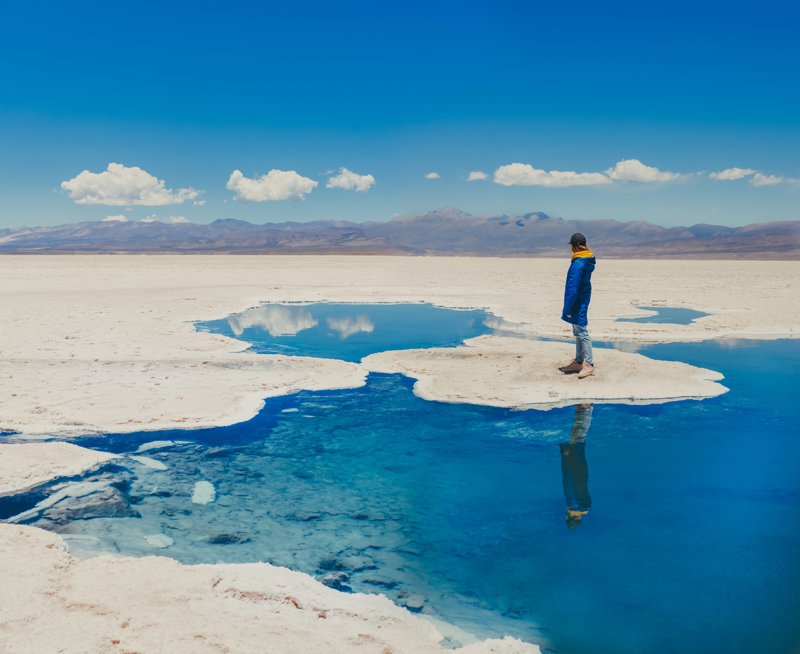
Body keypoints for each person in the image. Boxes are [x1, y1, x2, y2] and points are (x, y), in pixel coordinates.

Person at [559, 232, 596, 379]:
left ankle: (589, 364)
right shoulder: (585, 260)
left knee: (582, 331)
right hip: (581, 297)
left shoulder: (578, 263)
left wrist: (568, 307)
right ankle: (579, 361)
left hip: (577, 300)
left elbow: (572, 288)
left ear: (574, 246)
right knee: (578, 331)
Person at [560, 403, 593, 528]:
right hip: (574, 462)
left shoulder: (586, 505)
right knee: (579, 433)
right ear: (569, 517)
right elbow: (569, 481)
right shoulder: (573, 503)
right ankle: (585, 408)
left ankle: (582, 408)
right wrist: (568, 458)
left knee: (579, 435)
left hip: (581, 467)